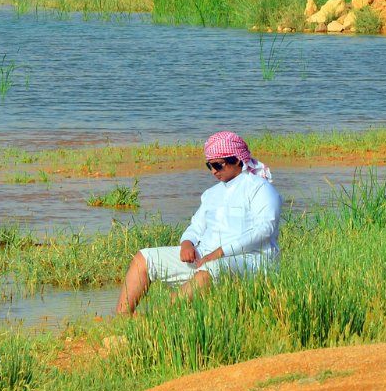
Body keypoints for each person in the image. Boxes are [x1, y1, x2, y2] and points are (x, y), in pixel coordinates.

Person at [115, 131, 281, 316]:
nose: (213, 171)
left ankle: (156, 319)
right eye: (209, 165)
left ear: (237, 160)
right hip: (205, 257)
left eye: (218, 165)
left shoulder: (260, 188)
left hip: (250, 260)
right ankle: (123, 318)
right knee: (144, 258)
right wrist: (187, 242)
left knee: (210, 270)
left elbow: (265, 230)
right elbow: (196, 226)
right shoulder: (211, 193)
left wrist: (218, 253)